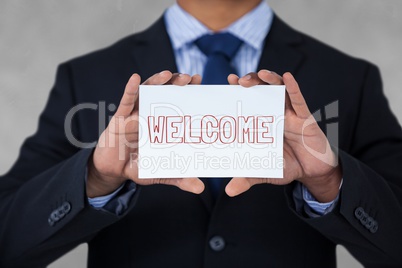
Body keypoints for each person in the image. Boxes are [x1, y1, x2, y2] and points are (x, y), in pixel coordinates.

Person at [1, 0, 402, 267]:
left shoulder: (350, 78)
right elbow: (8, 240)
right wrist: (94, 178)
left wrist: (332, 182)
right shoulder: (86, 77)